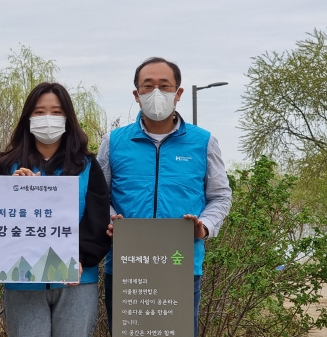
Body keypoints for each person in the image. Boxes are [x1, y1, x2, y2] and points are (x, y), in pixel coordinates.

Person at [99, 57, 232, 337]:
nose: (156, 93)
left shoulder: (203, 142)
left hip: (180, 263)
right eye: (147, 87)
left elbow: (220, 196)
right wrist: (111, 218)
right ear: (136, 95)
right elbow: (98, 196)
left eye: (164, 86)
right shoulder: (114, 142)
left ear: (178, 93)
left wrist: (204, 226)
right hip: (126, 265)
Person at [0, 82, 112, 337]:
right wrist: (12, 193)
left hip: (77, 280)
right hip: (23, 280)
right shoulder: (7, 166)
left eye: (56, 112)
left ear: (68, 118)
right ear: (27, 118)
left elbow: (98, 221)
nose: (48, 118)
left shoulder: (87, 165)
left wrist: (78, 258)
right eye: (39, 112)